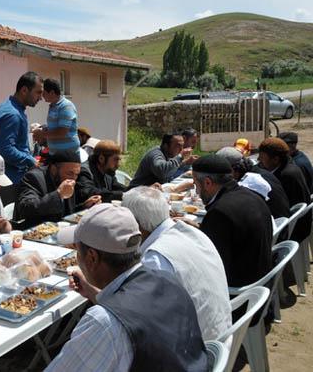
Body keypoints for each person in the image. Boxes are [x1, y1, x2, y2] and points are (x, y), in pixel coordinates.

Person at [47, 205, 208, 371]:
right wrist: (92, 292)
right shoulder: (167, 279)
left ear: (92, 258)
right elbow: (136, 313)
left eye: (77, 251)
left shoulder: (103, 323)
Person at [121, 186, 231, 341]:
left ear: (137, 224)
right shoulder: (191, 232)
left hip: (198, 349)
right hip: (221, 334)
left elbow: (140, 318)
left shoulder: (155, 259)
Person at [192, 155, 273, 287]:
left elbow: (210, 262)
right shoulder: (251, 195)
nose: (197, 192)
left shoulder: (220, 211)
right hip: (260, 280)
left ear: (207, 182)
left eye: (196, 185)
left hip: (238, 289)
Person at [0, 71, 43, 204]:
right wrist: (30, 160)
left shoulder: (14, 109)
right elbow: (6, 149)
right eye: (38, 92)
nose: (41, 98)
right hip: (9, 180)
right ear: (24, 90)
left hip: (11, 176)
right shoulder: (12, 114)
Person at [13, 150, 101, 230]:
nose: (73, 179)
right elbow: (26, 208)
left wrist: (84, 206)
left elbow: (65, 213)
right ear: (54, 169)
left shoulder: (69, 180)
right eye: (69, 173)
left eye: (76, 174)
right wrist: (58, 195)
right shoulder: (33, 177)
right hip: (34, 233)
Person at [258, 138, 311, 243]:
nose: (259, 159)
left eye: (262, 157)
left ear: (275, 159)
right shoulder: (287, 165)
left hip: (295, 230)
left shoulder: (286, 175)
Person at [216, 146, 289, 219]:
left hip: (274, 226)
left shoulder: (249, 184)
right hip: (281, 222)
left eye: (222, 174)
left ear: (233, 169)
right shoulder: (261, 173)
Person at [129, 132, 198, 188]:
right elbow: (162, 171)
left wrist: (185, 162)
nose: (181, 149)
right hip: (139, 191)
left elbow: (171, 168)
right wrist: (180, 156)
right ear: (166, 146)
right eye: (177, 146)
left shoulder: (169, 154)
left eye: (182, 146)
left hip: (153, 191)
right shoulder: (156, 154)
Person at [43, 78, 79, 155]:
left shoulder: (66, 106)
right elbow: (54, 128)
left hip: (68, 154)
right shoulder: (53, 106)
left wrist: (42, 134)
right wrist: (44, 129)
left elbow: (62, 132)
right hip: (56, 153)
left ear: (52, 92)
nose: (42, 96)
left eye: (44, 93)